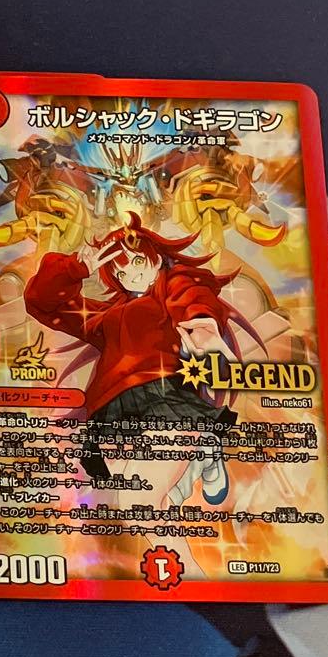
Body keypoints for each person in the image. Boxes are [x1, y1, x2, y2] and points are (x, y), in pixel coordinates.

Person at [24, 211, 242, 505]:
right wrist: (74, 268)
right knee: (140, 496)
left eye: (138, 262)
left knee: (142, 499)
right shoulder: (103, 318)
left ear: (156, 259)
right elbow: (41, 303)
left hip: (159, 394)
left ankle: (204, 454)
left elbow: (190, 294)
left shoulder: (168, 291)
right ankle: (203, 455)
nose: (131, 275)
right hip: (111, 409)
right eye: (120, 272)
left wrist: (201, 323)